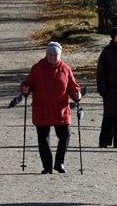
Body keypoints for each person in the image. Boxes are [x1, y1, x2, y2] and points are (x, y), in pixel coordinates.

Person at [20, 42, 82, 174]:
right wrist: (25, 88)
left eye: (55, 54)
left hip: (61, 110)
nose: (53, 57)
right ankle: (47, 166)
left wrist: (76, 94)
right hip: (42, 109)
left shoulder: (66, 69)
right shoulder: (37, 68)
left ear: (59, 55)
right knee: (43, 139)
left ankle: (59, 163)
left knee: (65, 135)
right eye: (50, 54)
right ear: (46, 54)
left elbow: (72, 86)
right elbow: (28, 83)